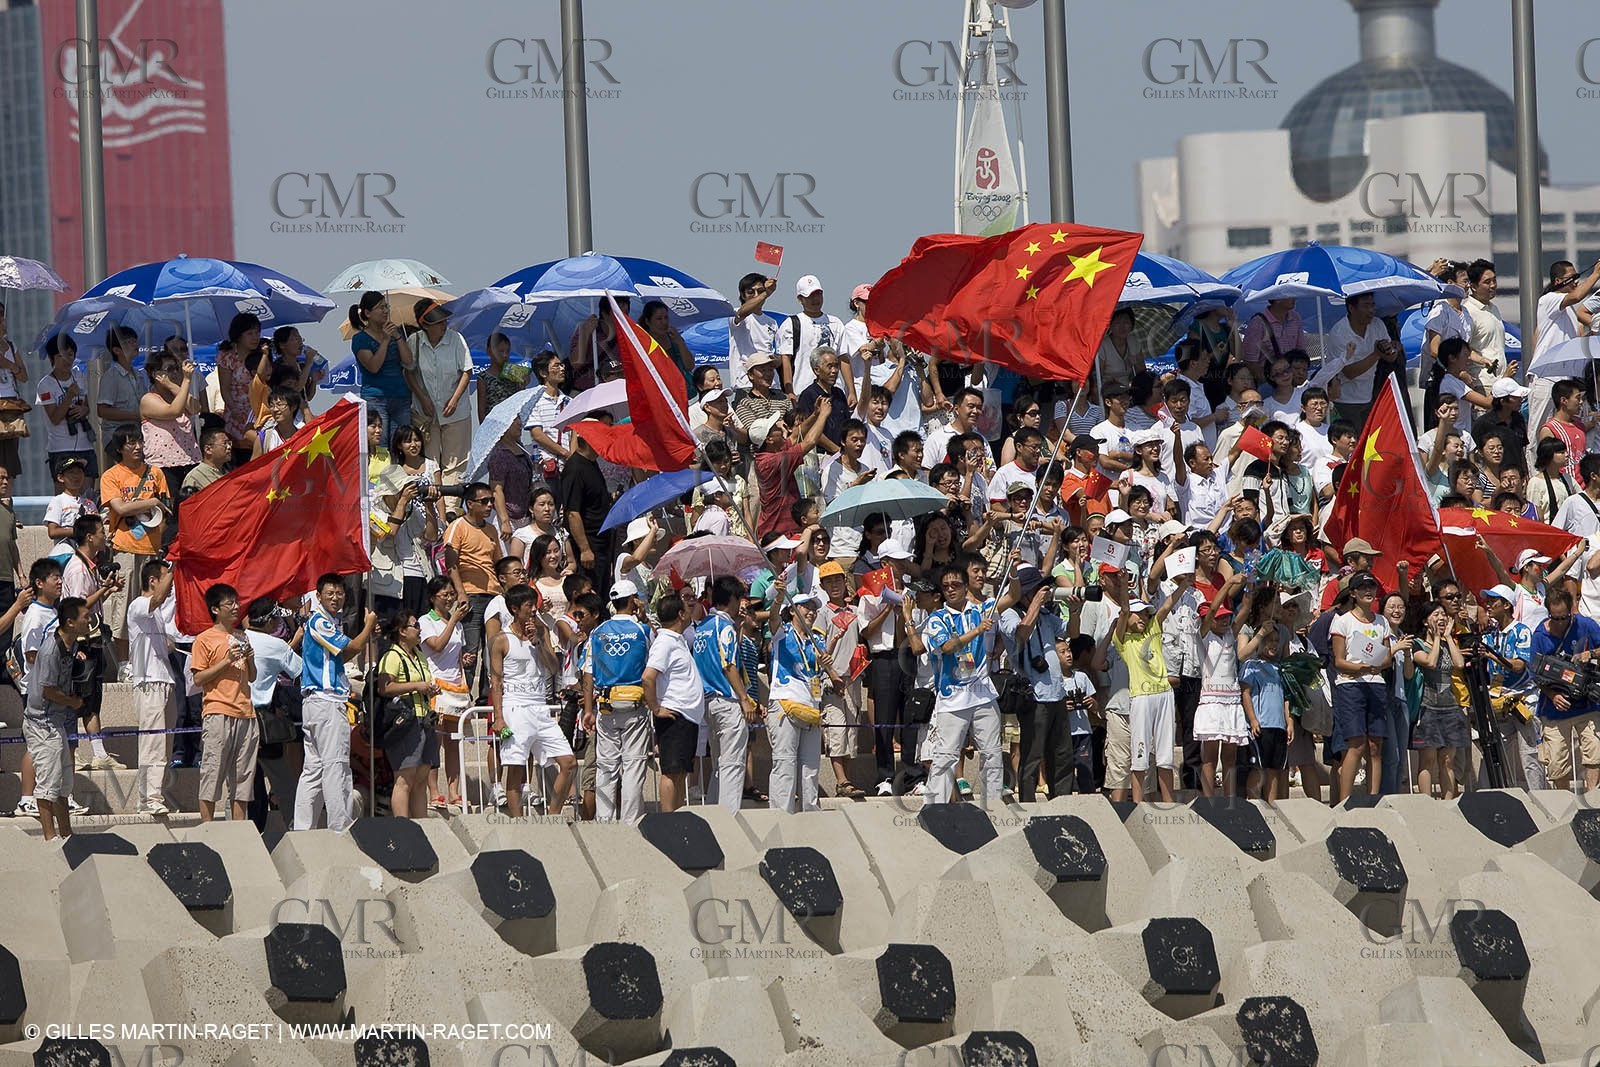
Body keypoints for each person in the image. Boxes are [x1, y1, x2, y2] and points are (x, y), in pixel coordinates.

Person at [296, 574, 377, 831]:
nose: (335, 597)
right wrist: (368, 625)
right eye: (330, 593)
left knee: (314, 770)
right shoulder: (320, 621)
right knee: (336, 766)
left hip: (318, 704)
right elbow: (350, 649)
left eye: (340, 593)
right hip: (326, 701)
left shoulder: (330, 621)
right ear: (318, 596)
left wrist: (367, 632)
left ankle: (302, 829)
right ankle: (340, 827)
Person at [489, 585, 571, 817]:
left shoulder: (541, 631)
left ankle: (552, 817)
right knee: (516, 769)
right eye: (528, 605)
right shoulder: (501, 640)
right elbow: (496, 681)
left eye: (534, 604)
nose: (534, 609)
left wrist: (537, 642)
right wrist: (499, 718)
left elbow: (553, 667)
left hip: (540, 707)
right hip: (515, 706)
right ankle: (517, 825)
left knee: (568, 763)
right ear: (515, 609)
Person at [583, 580, 653, 822]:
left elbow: (588, 672)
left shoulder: (597, 632)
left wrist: (588, 710)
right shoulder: (644, 631)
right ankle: (631, 821)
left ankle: (605, 821)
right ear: (633, 599)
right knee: (633, 765)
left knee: (606, 766)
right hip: (635, 705)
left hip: (605, 705)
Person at [190, 584, 258, 823]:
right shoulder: (204, 639)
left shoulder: (242, 635)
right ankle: (207, 827)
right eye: (230, 604)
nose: (236, 607)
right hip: (218, 711)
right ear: (215, 609)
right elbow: (198, 678)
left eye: (236, 602)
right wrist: (226, 661)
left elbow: (252, 677)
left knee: (243, 778)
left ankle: (239, 828)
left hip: (246, 712)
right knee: (212, 772)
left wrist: (249, 660)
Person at [25, 596, 91, 840]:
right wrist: (73, 702)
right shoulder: (51, 649)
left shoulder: (71, 645)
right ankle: (50, 840)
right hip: (41, 724)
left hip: (56, 722)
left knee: (63, 784)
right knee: (47, 785)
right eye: (85, 617)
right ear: (71, 622)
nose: (90, 619)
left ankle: (66, 836)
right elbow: (47, 690)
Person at [100, 426, 169, 659]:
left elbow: (165, 511)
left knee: (153, 607)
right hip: (125, 549)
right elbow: (119, 507)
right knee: (124, 607)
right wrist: (151, 503)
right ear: (120, 449)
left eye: (139, 442)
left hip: (151, 549)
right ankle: (123, 663)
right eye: (131, 443)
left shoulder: (156, 473)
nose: (138, 447)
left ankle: (149, 659)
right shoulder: (111, 476)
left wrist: (157, 520)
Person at [693, 577, 759, 811]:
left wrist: (737, 626)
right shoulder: (724, 628)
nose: (741, 604)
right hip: (727, 700)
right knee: (733, 764)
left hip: (708, 703)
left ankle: (714, 814)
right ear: (731, 599)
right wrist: (744, 699)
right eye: (739, 598)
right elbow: (729, 665)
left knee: (720, 765)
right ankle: (729, 817)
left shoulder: (702, 627)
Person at [1329, 572, 1395, 801]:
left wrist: (1377, 664)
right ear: (1353, 593)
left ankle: (1373, 798)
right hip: (1350, 685)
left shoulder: (1382, 621)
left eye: (1372, 587)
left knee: (1375, 745)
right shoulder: (1343, 620)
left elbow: (1386, 657)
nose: (1368, 591)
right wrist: (1363, 667)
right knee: (1355, 744)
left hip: (1375, 685)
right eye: (1363, 587)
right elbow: (1338, 661)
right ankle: (1346, 801)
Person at [242, 596, 304, 828]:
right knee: (283, 782)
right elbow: (301, 673)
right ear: (269, 621)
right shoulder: (276, 645)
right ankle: (295, 829)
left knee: (242, 782)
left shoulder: (236, 639)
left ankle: (240, 830)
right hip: (263, 719)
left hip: (237, 716)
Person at [1528, 260, 1600, 453]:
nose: (1576, 281)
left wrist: (1593, 332)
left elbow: (1575, 343)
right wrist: (1595, 275)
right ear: (1558, 280)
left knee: (1562, 436)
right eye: (1572, 278)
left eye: (1578, 277)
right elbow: (1576, 296)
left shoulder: (1568, 310)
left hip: (1566, 382)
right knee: (1538, 434)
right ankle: (1536, 477)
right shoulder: (1549, 299)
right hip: (1546, 377)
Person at [768, 589, 830, 813]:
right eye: (806, 606)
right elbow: (773, 617)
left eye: (814, 607)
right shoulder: (782, 632)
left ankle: (810, 815)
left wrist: (828, 663)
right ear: (793, 611)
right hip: (785, 703)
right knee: (785, 764)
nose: (811, 611)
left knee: (811, 767)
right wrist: (778, 597)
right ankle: (780, 816)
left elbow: (820, 667)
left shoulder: (817, 638)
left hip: (811, 706)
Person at [643, 593, 705, 812]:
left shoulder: (676, 641)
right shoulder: (665, 642)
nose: (689, 610)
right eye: (686, 608)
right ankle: (668, 820)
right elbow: (648, 677)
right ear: (680, 614)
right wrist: (656, 708)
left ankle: (677, 817)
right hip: (674, 715)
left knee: (680, 772)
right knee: (671, 771)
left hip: (687, 716)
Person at [444, 483, 504, 698]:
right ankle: (464, 697)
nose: (489, 505)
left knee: (492, 649)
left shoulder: (491, 530)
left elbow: (498, 564)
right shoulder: (458, 526)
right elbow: (450, 563)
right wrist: (461, 593)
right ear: (470, 504)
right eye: (484, 501)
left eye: (491, 501)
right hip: (471, 594)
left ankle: (486, 698)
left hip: (494, 596)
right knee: (470, 649)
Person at [408, 299, 474, 483]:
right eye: (438, 323)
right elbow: (409, 373)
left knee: (456, 461)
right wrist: (422, 398)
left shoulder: (456, 339)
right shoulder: (413, 341)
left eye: (444, 321)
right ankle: (436, 507)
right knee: (430, 461)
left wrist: (454, 400)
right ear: (425, 325)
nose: (444, 325)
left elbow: (467, 371)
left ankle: (452, 508)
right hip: (426, 413)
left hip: (457, 411)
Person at [1316, 293, 1398, 428]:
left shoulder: (1377, 324)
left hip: (1370, 396)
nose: (1371, 310)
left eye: (1372, 305)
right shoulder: (1339, 332)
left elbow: (1391, 357)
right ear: (1351, 308)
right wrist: (1377, 354)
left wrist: (1391, 350)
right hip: (1345, 400)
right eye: (1366, 306)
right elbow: (1349, 372)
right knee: (1352, 443)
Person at [349, 291, 421, 441]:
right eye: (380, 308)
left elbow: (409, 362)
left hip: (401, 396)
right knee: (379, 445)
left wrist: (398, 337)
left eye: (386, 306)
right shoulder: (360, 339)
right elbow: (373, 366)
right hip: (376, 398)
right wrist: (386, 340)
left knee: (401, 443)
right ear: (368, 313)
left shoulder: (395, 332)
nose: (386, 311)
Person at [751, 405, 829, 541]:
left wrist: (815, 413)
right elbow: (809, 442)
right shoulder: (772, 461)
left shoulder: (770, 453)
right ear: (769, 439)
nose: (781, 429)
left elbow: (794, 436)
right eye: (775, 429)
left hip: (781, 530)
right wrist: (823, 415)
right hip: (778, 533)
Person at [1239, 626, 1291, 800]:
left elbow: (1286, 697)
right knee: (1258, 768)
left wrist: (1288, 722)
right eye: (1269, 640)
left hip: (1279, 726)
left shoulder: (1280, 668)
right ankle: (1254, 806)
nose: (1273, 644)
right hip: (1261, 725)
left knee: (1274, 769)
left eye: (1276, 641)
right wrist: (1253, 720)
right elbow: (1245, 693)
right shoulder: (1251, 665)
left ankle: (1272, 807)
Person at [775, 276, 846, 400]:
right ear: (800, 299)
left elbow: (843, 358)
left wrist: (851, 391)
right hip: (801, 390)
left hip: (833, 391)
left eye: (818, 294)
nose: (815, 299)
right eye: (810, 296)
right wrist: (789, 391)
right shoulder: (791, 323)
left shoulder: (835, 323)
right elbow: (786, 359)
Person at [559, 435, 613, 590]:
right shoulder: (575, 468)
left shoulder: (592, 463)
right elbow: (572, 513)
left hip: (602, 540)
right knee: (590, 591)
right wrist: (585, 549)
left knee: (603, 589)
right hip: (589, 543)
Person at [39, 333, 95, 476]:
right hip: (61, 447)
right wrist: (69, 396)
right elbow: (55, 418)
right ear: (52, 358)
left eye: (70, 355)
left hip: (85, 444)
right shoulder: (45, 384)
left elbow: (87, 407)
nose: (67, 360)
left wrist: (83, 410)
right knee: (63, 493)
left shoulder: (79, 377)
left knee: (87, 492)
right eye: (61, 356)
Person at [98, 326, 147, 451]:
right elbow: (102, 411)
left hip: (136, 435)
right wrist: (135, 416)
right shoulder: (111, 376)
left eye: (134, 341)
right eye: (128, 342)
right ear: (116, 350)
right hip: (116, 436)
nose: (134, 344)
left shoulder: (139, 375)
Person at [0, 300, 28, 476]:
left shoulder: (10, 345)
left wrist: (9, 365)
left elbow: (24, 376)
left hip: (10, 404)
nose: (3, 321)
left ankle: (6, 495)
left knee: (10, 455)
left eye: (3, 316)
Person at [477, 332, 523, 421]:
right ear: (489, 351)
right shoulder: (483, 377)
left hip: (511, 422)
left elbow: (521, 397)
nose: (505, 355)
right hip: (493, 423)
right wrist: (483, 429)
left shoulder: (514, 373)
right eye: (501, 351)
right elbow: (481, 408)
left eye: (507, 351)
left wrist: (523, 382)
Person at [180, 426, 233, 501]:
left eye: (229, 443)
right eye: (225, 443)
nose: (229, 447)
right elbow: (188, 507)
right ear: (208, 449)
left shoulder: (229, 473)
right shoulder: (194, 477)